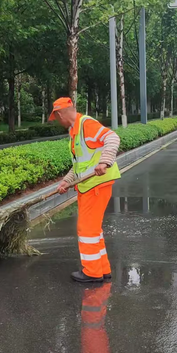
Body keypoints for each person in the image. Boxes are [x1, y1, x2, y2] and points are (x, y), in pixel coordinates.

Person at [50, 97, 121, 283]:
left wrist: (105, 161)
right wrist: (66, 181)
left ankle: (91, 272)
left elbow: (112, 138)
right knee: (94, 230)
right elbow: (80, 165)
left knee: (87, 230)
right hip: (89, 186)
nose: (57, 122)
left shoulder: (86, 124)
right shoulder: (75, 132)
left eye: (56, 118)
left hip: (96, 186)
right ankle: (102, 269)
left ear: (59, 113)